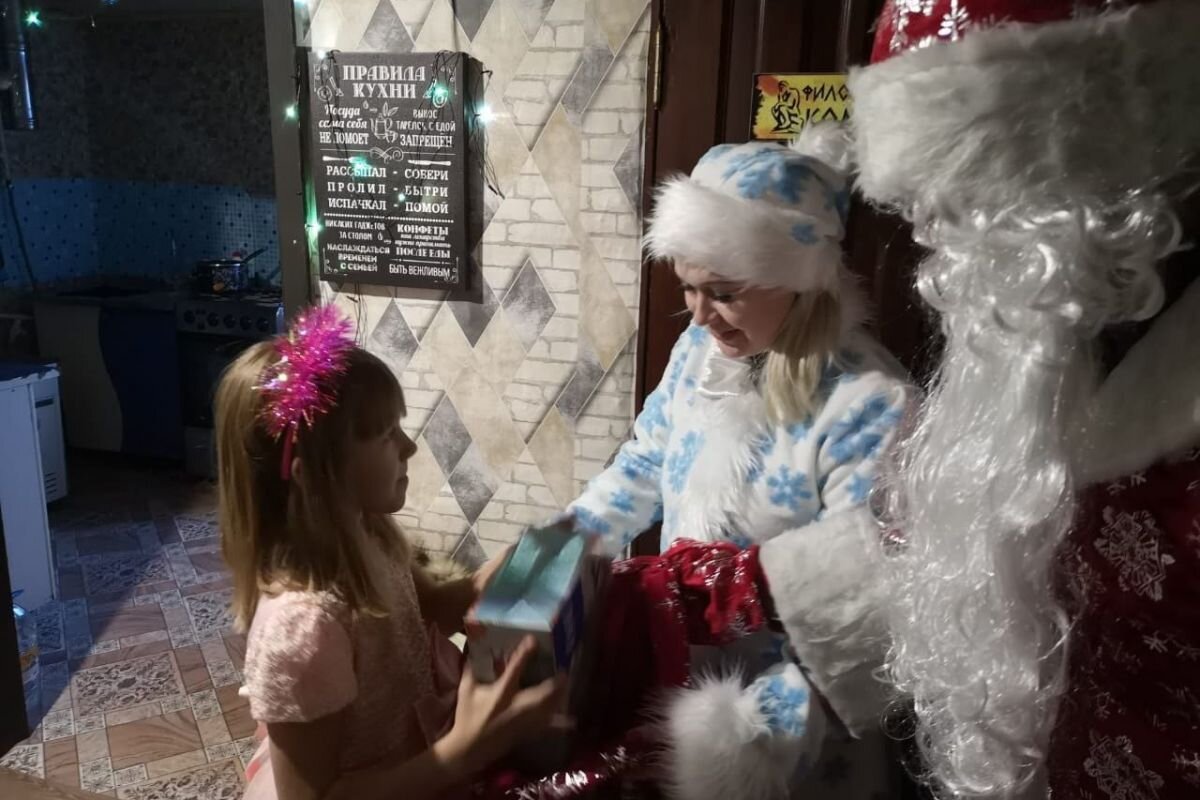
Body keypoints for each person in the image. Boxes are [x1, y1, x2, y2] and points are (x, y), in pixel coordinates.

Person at [845, 1, 1200, 797]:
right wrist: (675, 598)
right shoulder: (1031, 341)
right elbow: (937, 547)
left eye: (971, 189)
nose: (940, 232)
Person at [568, 125, 913, 800]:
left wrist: (743, 746)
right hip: (681, 677)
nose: (699, 317)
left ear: (799, 280)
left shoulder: (871, 403)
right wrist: (558, 552)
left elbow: (863, 611)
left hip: (797, 739)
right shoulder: (699, 355)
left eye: (723, 292)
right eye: (687, 288)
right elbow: (642, 465)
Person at [214, 307, 563, 800]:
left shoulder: (369, 532)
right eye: (385, 436)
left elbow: (423, 613)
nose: (410, 447)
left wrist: (482, 584)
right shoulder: (301, 632)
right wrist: (463, 751)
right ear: (318, 477)